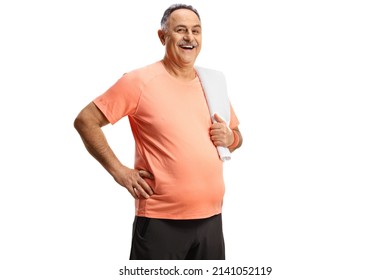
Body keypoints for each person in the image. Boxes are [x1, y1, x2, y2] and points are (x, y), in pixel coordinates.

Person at [74, 3, 242, 260]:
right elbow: (86, 120)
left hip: (211, 219)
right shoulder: (139, 81)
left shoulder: (213, 82)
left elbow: (235, 136)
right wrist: (119, 172)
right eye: (181, 30)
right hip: (160, 221)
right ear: (162, 36)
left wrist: (231, 138)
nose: (190, 38)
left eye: (196, 31)